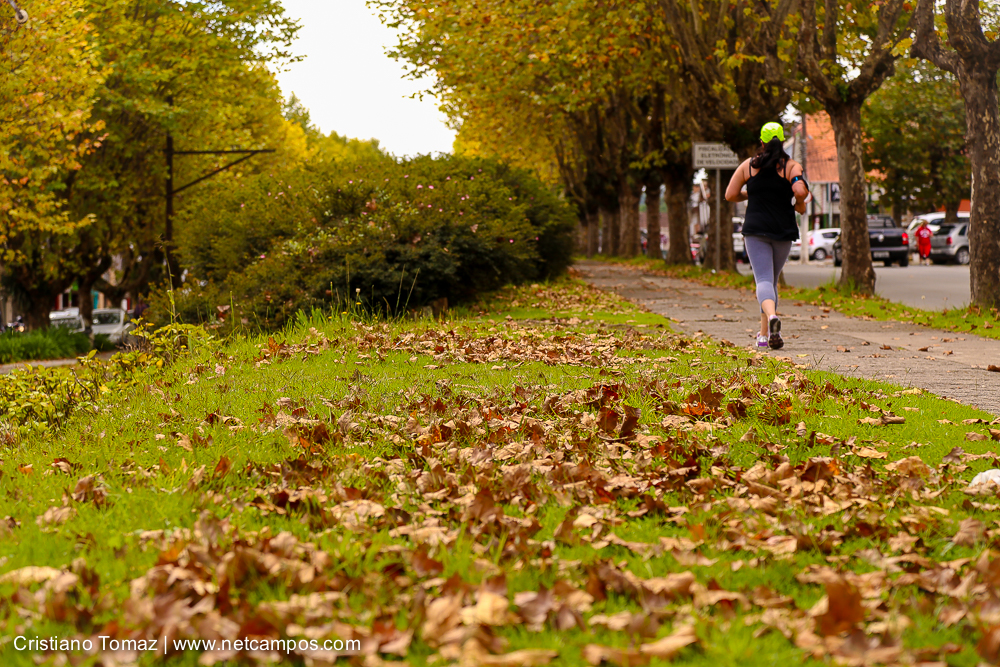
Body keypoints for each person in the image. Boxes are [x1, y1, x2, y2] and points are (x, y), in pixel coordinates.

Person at [725, 122, 810, 350]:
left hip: (755, 229)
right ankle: (765, 335)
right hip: (782, 230)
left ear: (761, 142)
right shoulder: (791, 166)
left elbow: (730, 194)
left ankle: (772, 319)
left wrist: (749, 193)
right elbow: (800, 190)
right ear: (782, 141)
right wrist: (799, 202)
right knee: (771, 282)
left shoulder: (749, 166)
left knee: (763, 280)